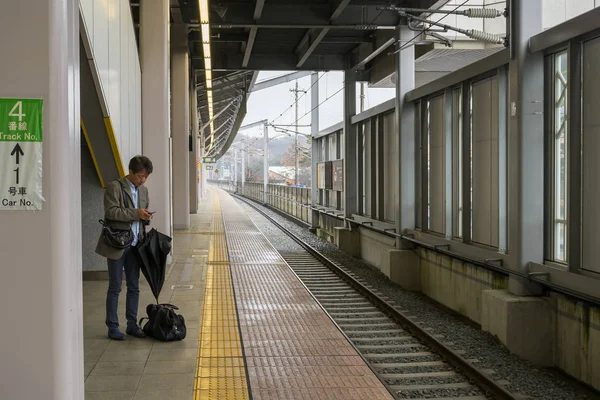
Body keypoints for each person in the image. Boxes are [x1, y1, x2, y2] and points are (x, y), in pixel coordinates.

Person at [96, 155, 154, 340]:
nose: (142, 180)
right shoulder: (115, 186)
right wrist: (136, 213)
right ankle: (112, 326)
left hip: (136, 244)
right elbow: (111, 212)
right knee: (115, 286)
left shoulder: (143, 191)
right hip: (117, 244)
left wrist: (145, 216)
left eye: (145, 177)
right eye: (139, 176)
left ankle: (132, 324)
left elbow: (141, 214)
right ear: (130, 172)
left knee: (134, 286)